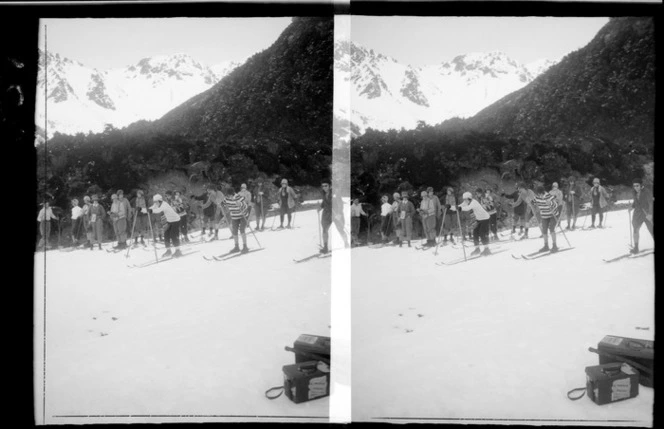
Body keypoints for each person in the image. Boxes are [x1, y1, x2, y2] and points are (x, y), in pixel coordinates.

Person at [318, 181, 349, 254]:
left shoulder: (335, 193)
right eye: (323, 186)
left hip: (336, 214)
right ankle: (325, 247)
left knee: (340, 229)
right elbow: (324, 202)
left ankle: (346, 243)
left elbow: (340, 204)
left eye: (326, 186)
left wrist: (339, 214)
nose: (324, 188)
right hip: (327, 214)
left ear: (330, 186)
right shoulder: (323, 193)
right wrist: (320, 207)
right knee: (325, 229)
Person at [148, 193, 183, 258]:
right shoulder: (157, 204)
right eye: (154, 202)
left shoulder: (164, 204)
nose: (155, 203)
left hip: (176, 220)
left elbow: (158, 210)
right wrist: (142, 209)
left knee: (173, 235)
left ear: (159, 201)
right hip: (169, 221)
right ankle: (168, 251)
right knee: (166, 235)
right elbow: (151, 208)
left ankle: (178, 250)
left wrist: (151, 211)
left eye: (156, 202)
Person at [218, 186, 250, 254]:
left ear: (232, 193)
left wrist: (240, 204)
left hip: (243, 215)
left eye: (230, 195)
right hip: (234, 216)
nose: (229, 196)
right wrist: (220, 204)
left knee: (242, 230)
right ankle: (236, 247)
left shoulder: (239, 197)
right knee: (234, 231)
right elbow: (222, 203)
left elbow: (245, 206)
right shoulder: (226, 198)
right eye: (228, 195)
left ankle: (245, 246)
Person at [459, 191, 491, 256]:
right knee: (475, 233)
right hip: (479, 219)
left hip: (485, 219)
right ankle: (477, 249)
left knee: (482, 233)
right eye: (464, 199)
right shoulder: (467, 202)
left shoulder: (474, 202)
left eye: (465, 199)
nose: (465, 201)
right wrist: (450, 207)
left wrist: (460, 208)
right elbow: (460, 205)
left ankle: (487, 249)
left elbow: (467, 208)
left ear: (469, 198)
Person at [533, 185, 560, 253]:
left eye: (541, 194)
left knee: (551, 229)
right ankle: (546, 246)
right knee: (544, 231)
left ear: (543, 192)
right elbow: (533, 202)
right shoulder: (537, 197)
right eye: (538, 194)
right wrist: (529, 202)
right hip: (544, 216)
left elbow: (556, 205)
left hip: (553, 215)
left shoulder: (549, 196)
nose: (540, 196)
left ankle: (554, 246)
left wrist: (550, 203)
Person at [630, 178, 654, 254]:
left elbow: (651, 203)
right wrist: (632, 206)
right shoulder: (634, 192)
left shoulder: (647, 192)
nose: (635, 187)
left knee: (651, 230)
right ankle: (636, 248)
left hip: (646, 214)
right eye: (634, 186)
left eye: (637, 186)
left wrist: (650, 214)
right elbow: (636, 201)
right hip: (637, 214)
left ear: (641, 185)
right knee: (635, 230)